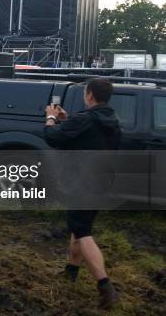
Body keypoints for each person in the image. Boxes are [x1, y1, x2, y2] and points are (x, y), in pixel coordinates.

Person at [44, 78, 122, 310]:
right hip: (102, 181)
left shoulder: (86, 119)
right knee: (80, 225)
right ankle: (71, 270)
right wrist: (68, 122)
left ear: (89, 94)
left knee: (83, 231)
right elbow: (88, 137)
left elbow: (53, 137)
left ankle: (105, 285)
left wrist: (50, 117)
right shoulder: (111, 119)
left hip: (83, 182)